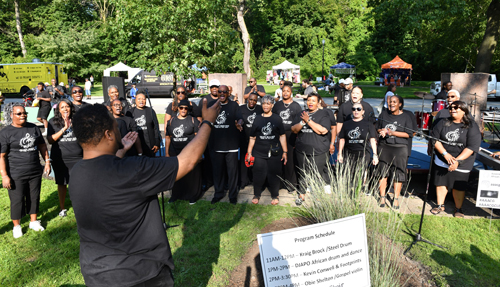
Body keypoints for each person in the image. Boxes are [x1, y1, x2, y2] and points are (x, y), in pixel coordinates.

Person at [69, 100, 220, 287]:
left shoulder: (76, 173)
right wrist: (207, 122)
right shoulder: (133, 170)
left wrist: (121, 150)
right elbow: (187, 161)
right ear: (108, 134)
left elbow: (105, 169)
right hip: (141, 274)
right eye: (116, 128)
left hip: (96, 274)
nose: (119, 131)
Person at [0, 103, 51, 238]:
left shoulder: (33, 127)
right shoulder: (5, 133)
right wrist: (4, 175)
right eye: (19, 113)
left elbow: (42, 146)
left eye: (24, 113)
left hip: (34, 170)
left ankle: (33, 221)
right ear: (11, 115)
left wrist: (47, 161)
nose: (23, 115)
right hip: (16, 172)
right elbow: (2, 156)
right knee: (17, 199)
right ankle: (17, 226)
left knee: (34, 196)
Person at [429, 101, 481, 218]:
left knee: (458, 186)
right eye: (451, 108)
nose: (453, 109)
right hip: (443, 159)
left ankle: (458, 208)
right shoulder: (443, 122)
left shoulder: (471, 126)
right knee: (441, 183)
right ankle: (439, 205)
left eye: (456, 108)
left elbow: (471, 147)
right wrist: (445, 154)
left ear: (464, 110)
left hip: (463, 162)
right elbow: (435, 139)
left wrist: (457, 161)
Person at [291, 93, 332, 205]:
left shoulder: (324, 114)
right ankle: (301, 195)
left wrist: (308, 121)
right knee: (303, 173)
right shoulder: (301, 114)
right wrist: (302, 122)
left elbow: (323, 130)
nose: (310, 102)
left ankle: (318, 197)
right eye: (309, 100)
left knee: (317, 174)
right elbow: (294, 130)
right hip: (302, 150)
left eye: (313, 100)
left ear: (318, 102)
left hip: (318, 151)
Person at [247, 95, 287, 205]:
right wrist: (249, 152)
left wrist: (285, 152)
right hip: (259, 152)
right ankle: (257, 194)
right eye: (264, 103)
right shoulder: (258, 118)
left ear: (272, 105)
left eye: (268, 103)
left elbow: (282, 136)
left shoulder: (277, 119)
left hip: (274, 152)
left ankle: (275, 195)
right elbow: (252, 137)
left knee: (274, 173)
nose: (265, 105)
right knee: (258, 173)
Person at [377, 95, 415, 209]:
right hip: (384, 147)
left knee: (398, 174)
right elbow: (377, 127)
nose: (391, 104)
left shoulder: (406, 117)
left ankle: (396, 198)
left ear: (400, 104)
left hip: (400, 148)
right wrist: (382, 131)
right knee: (383, 172)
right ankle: (382, 197)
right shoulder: (384, 114)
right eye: (390, 102)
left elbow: (409, 134)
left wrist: (392, 133)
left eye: (394, 102)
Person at [208, 85, 244, 204]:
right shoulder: (212, 105)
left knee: (232, 173)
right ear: (217, 93)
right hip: (216, 144)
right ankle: (218, 193)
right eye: (220, 92)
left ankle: (232, 196)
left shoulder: (234, 105)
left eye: (225, 92)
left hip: (231, 145)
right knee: (218, 172)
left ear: (229, 93)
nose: (222, 93)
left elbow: (240, 118)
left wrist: (239, 123)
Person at [46, 99, 83, 217]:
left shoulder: (78, 120)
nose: (65, 109)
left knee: (78, 182)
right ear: (58, 110)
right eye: (62, 107)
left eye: (67, 106)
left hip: (77, 157)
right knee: (62, 183)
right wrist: (64, 128)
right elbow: (50, 140)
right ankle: (62, 208)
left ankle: (80, 205)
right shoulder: (52, 122)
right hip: (60, 157)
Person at [165, 99, 203, 204]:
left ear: (188, 109)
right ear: (178, 108)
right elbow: (168, 138)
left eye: (186, 108)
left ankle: (193, 196)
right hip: (175, 152)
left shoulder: (193, 121)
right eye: (181, 108)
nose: (183, 110)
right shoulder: (171, 121)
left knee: (192, 175)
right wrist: (167, 153)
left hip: (189, 153)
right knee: (176, 174)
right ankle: (175, 195)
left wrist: (199, 154)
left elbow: (198, 139)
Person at [273, 84, 302, 193]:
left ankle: (291, 184)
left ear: (291, 93)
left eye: (288, 91)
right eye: (283, 91)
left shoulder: (296, 106)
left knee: (290, 160)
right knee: (278, 159)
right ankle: (279, 183)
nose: (285, 93)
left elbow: (298, 123)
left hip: (291, 136)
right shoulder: (277, 105)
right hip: (278, 136)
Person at [337, 102, 379, 168]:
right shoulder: (346, 124)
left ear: (363, 112)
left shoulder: (368, 124)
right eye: (354, 109)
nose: (356, 111)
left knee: (361, 173)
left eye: (359, 109)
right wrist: (339, 153)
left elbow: (372, 140)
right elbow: (342, 139)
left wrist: (375, 155)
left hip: (363, 153)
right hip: (349, 153)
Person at [239, 93, 263, 188]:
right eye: (250, 99)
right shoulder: (241, 109)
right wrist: (239, 124)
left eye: (254, 100)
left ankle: (255, 180)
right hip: (244, 138)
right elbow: (239, 119)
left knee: (256, 161)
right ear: (247, 99)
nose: (252, 102)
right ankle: (243, 181)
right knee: (243, 161)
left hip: (257, 139)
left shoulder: (260, 109)